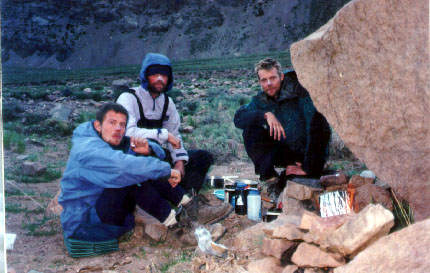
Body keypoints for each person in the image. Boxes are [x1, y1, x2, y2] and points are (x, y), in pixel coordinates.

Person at [58, 103, 223, 245]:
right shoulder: (86, 148)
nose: (118, 128)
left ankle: (189, 206)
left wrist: (149, 151)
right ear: (97, 125)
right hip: (85, 225)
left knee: (139, 167)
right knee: (130, 177)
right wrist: (166, 170)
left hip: (103, 215)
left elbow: (140, 153)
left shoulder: (106, 138)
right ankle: (178, 229)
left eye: (122, 124)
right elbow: (123, 166)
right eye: (112, 122)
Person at [116, 53, 211, 195]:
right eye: (155, 74)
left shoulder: (167, 103)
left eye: (164, 75)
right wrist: (164, 135)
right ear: (145, 75)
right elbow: (127, 133)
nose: (160, 79)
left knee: (203, 157)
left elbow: (175, 134)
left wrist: (180, 162)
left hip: (159, 157)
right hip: (134, 158)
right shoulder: (128, 98)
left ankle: (187, 199)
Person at [234, 58, 331, 194]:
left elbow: (318, 127)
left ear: (281, 76)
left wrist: (309, 166)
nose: (269, 84)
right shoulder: (262, 99)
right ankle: (270, 178)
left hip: (308, 151)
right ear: (259, 82)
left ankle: (309, 169)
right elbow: (239, 118)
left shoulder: (300, 90)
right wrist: (265, 115)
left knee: (317, 119)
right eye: (264, 80)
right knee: (250, 129)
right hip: (286, 151)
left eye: (273, 78)